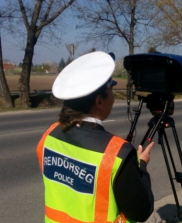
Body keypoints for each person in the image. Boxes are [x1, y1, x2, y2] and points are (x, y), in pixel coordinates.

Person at [36, 51, 154, 223]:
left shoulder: (49, 135)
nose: (113, 98)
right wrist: (141, 165)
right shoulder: (117, 154)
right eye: (111, 91)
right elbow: (141, 212)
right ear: (99, 102)